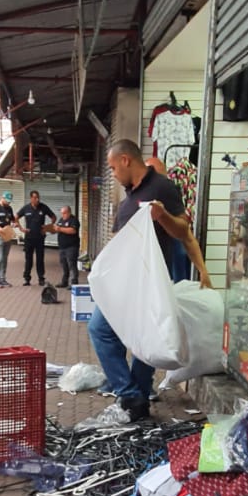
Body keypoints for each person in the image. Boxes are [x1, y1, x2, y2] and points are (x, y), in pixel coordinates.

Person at [87, 139, 211, 424]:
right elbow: (119, 242)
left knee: (131, 335)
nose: (113, 174)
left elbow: (183, 231)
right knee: (106, 331)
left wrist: (162, 215)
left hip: (149, 282)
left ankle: (133, 395)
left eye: (113, 167)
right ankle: (135, 395)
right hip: (124, 282)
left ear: (126, 160)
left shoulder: (162, 187)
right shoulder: (127, 200)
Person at [17, 189, 56, 285]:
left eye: (38, 197)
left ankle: (41, 278)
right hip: (29, 238)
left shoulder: (43, 207)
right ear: (31, 198)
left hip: (40, 237)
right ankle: (27, 279)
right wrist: (21, 228)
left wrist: (48, 226)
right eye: (35, 198)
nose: (37, 199)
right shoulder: (26, 208)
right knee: (28, 259)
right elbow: (16, 217)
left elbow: (53, 217)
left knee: (40, 259)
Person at [54, 205, 81, 287]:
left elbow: (73, 231)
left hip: (71, 247)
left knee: (72, 264)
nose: (63, 215)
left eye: (64, 213)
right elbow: (57, 228)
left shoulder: (74, 220)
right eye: (62, 213)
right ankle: (64, 281)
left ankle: (73, 282)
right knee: (64, 265)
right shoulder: (61, 220)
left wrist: (60, 229)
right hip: (62, 247)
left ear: (69, 212)